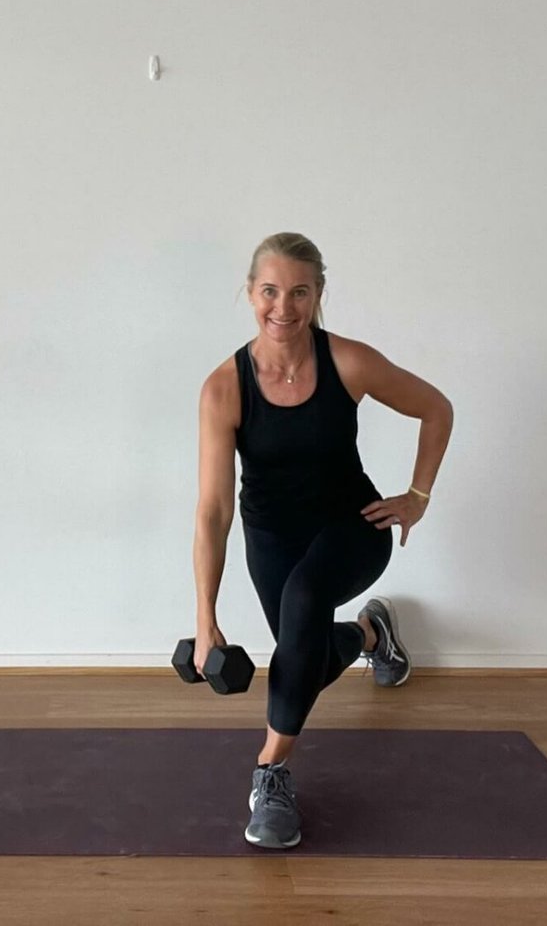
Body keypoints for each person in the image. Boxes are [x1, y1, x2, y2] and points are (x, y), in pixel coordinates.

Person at [192, 232, 454, 848]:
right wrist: (204, 619)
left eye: (300, 292)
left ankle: (269, 773)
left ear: (318, 295)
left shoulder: (349, 362)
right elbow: (211, 510)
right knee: (301, 653)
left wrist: (417, 497)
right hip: (271, 535)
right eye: (270, 291)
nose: (284, 307)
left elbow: (436, 408)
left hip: (351, 526)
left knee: (307, 602)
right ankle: (370, 633)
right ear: (250, 293)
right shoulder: (224, 389)